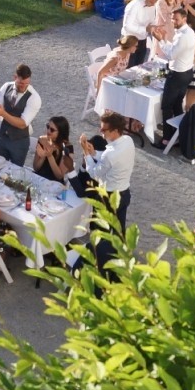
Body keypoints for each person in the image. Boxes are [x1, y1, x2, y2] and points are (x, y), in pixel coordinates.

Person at [79, 112, 136, 271]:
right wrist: (93, 153)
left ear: (115, 130)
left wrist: (86, 153)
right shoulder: (128, 141)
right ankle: (121, 260)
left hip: (108, 197)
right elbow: (107, 158)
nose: (101, 132)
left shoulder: (111, 154)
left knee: (99, 231)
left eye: (104, 130)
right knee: (119, 230)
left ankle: (100, 265)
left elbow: (94, 173)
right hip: (124, 193)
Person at [156, 8, 195, 145]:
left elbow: (172, 54)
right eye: (172, 18)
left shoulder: (182, 35)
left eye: (176, 19)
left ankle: (167, 139)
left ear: (184, 19)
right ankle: (178, 134)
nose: (173, 21)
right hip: (187, 72)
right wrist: (165, 40)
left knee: (166, 106)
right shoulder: (189, 32)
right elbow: (175, 49)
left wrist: (161, 41)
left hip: (178, 75)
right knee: (177, 104)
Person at [0, 64, 42, 166]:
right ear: (15, 77)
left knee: (16, 174)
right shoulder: (6, 87)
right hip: (3, 137)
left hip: (19, 141)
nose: (24, 87)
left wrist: (3, 113)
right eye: (21, 83)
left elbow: (23, 123)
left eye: (27, 84)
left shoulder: (34, 98)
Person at [120, 0, 159, 68]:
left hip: (142, 40)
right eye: (151, 1)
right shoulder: (134, 5)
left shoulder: (153, 4)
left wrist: (154, 27)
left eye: (154, 2)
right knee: (128, 67)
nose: (152, 4)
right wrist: (145, 29)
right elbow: (127, 26)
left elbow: (152, 19)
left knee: (139, 66)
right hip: (129, 40)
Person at [33, 116, 76, 182]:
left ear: (61, 132)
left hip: (54, 183)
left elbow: (59, 176)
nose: (48, 131)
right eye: (48, 127)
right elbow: (36, 168)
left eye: (52, 130)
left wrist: (50, 156)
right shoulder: (42, 140)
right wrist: (43, 156)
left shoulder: (67, 148)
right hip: (38, 177)